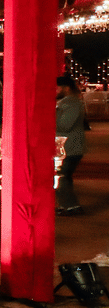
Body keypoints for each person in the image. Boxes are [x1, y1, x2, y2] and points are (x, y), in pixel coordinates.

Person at [56, 76, 87, 216]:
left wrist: (52, 113)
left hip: (71, 147)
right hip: (69, 147)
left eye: (56, 88)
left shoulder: (72, 104)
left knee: (62, 177)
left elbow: (64, 125)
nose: (54, 91)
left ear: (66, 88)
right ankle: (68, 205)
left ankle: (72, 207)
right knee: (63, 177)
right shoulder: (67, 103)